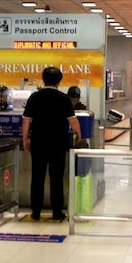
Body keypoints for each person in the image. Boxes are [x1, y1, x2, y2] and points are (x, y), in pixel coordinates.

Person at [22, 67, 80, 221]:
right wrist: (78, 135)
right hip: (58, 144)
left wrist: (25, 140)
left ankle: (36, 211)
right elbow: (73, 121)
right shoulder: (64, 98)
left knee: (37, 177)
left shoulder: (34, 97)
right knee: (57, 178)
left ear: (43, 79)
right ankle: (56, 211)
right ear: (59, 81)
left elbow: (26, 121)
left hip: (38, 142)